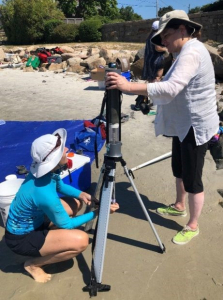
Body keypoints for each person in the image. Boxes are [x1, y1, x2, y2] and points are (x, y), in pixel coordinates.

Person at [105, 10, 219, 245]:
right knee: (178, 168)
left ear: (183, 29)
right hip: (183, 123)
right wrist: (149, 84)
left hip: (195, 127)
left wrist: (128, 86)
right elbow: (173, 84)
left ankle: (193, 225)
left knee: (193, 178)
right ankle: (179, 205)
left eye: (166, 35)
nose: (163, 41)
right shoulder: (183, 52)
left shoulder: (192, 52)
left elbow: (171, 88)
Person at [4, 128, 119, 282]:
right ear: (54, 160)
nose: (66, 149)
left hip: (35, 220)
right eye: (62, 151)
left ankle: (52, 236)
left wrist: (82, 194)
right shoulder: (45, 194)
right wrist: (99, 212)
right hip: (21, 239)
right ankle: (33, 265)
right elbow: (67, 224)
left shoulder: (42, 172)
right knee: (81, 240)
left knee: (76, 203)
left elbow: (59, 185)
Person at [134, 20, 167, 111]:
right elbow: (158, 48)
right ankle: (154, 102)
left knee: (150, 81)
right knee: (156, 79)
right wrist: (166, 48)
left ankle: (141, 100)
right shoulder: (156, 36)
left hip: (149, 60)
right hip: (156, 60)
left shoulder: (149, 37)